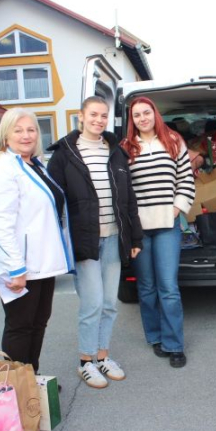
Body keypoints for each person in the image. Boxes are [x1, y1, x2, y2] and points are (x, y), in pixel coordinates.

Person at [47, 96, 143, 389]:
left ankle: (103, 355)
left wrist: (134, 237)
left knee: (109, 304)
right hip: (85, 240)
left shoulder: (115, 152)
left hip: (114, 237)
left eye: (103, 116)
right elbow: (52, 201)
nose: (99, 120)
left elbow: (128, 199)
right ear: (81, 117)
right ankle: (86, 362)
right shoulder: (64, 154)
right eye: (93, 115)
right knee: (91, 304)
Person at [0, 108, 74, 373]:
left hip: (41, 262)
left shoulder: (35, 164)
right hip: (21, 266)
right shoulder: (1, 168)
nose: (26, 135)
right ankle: (14, 390)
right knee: (20, 327)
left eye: (31, 129)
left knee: (38, 323)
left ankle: (31, 380)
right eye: (18, 130)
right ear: (6, 135)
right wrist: (16, 268)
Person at [121, 97, 195, 368]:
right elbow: (123, 189)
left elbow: (186, 178)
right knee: (147, 287)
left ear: (155, 114)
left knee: (168, 287)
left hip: (167, 225)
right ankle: (154, 337)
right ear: (132, 119)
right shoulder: (126, 148)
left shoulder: (173, 141)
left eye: (146, 112)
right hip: (139, 229)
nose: (142, 118)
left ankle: (175, 344)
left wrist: (177, 208)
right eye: (137, 115)